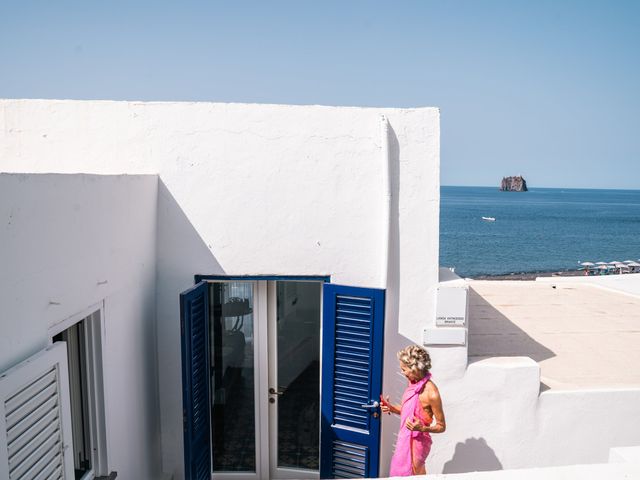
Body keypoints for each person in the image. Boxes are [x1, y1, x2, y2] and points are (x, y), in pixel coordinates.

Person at [380, 345, 446, 476]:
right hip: (404, 439)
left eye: (404, 370)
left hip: (418, 444)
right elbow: (409, 411)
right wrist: (392, 408)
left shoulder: (432, 393)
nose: (402, 373)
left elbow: (441, 426)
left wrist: (422, 428)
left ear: (414, 369)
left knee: (415, 473)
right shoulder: (413, 383)